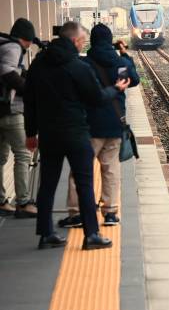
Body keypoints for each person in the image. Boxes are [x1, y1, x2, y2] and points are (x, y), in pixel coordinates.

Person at [24, 22, 130, 250]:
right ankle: (91, 235)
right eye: (82, 40)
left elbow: (29, 100)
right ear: (74, 41)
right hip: (75, 133)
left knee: (48, 184)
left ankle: (45, 233)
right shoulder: (77, 67)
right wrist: (116, 89)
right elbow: (97, 98)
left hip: (49, 134)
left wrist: (30, 133)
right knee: (84, 183)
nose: (83, 44)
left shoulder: (39, 63)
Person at [59, 25, 139, 228]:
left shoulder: (83, 63)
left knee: (80, 169)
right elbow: (134, 80)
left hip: (88, 126)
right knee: (111, 168)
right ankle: (110, 213)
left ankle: (77, 213)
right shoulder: (120, 63)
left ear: (91, 41)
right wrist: (125, 54)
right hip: (114, 123)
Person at [0, 18, 36, 218]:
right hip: (10, 111)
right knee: (22, 154)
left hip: (1, 111)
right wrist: (28, 89)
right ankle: (23, 202)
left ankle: (1, 201)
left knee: (0, 157)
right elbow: (8, 72)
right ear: (25, 39)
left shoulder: (3, 44)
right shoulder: (14, 47)